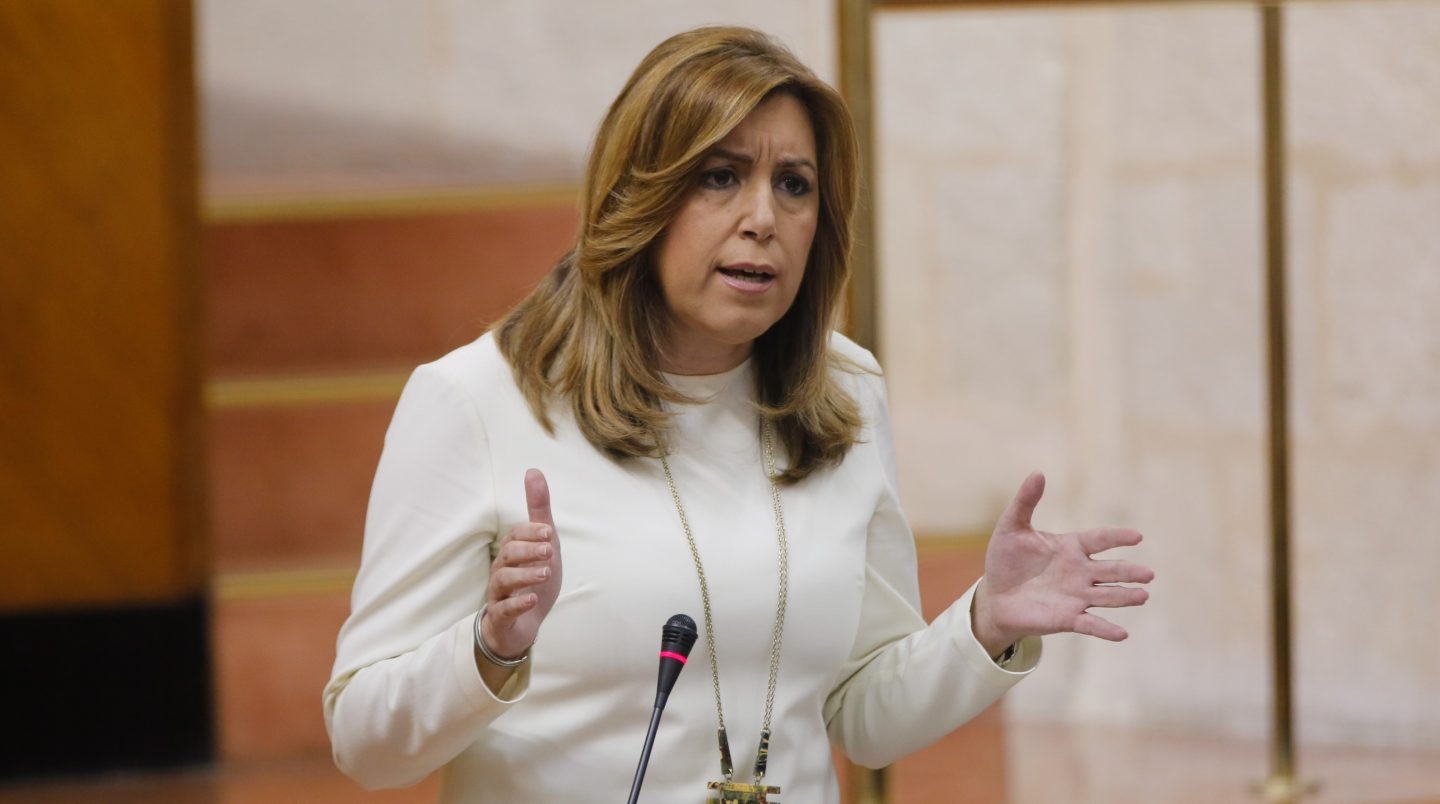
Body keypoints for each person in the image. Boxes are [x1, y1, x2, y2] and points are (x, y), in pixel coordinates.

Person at [323, 25, 1153, 804]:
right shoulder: (479, 400)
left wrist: (983, 625)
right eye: (721, 177)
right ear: (638, 198)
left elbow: (863, 716)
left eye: (793, 185)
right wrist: (490, 649)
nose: (763, 218)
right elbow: (364, 742)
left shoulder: (845, 393)